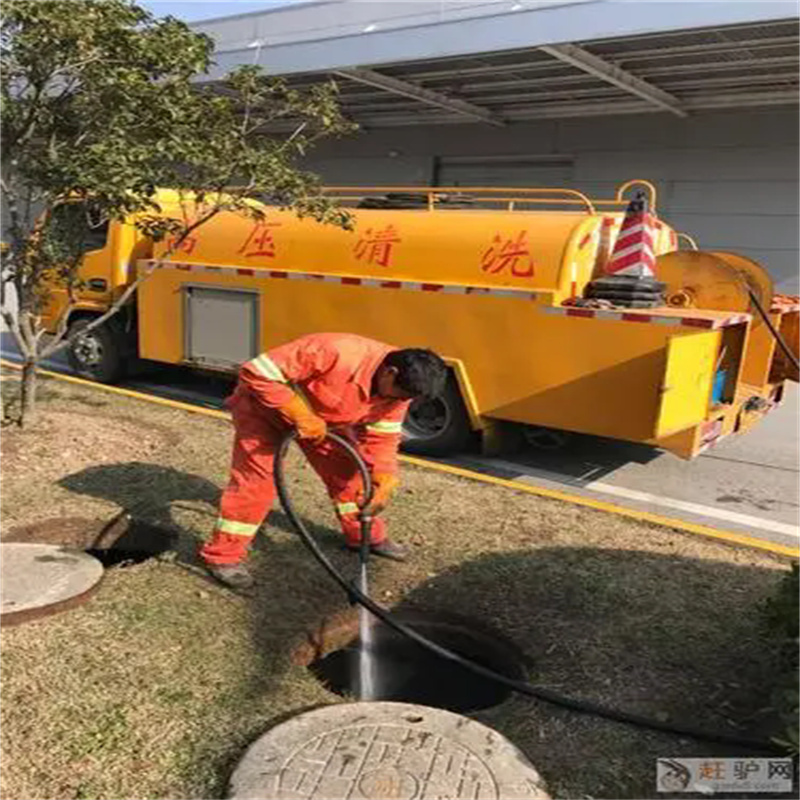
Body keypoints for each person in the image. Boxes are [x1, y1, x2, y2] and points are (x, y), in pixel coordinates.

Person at [201, 332, 448, 589]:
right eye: (399, 394)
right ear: (390, 372)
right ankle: (223, 557)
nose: (399, 401)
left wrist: (385, 474)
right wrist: (300, 414)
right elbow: (256, 372)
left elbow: (382, 437)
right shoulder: (335, 351)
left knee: (350, 476)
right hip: (264, 414)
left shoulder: (400, 392)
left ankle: (365, 536)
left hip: (325, 423)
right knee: (256, 485)